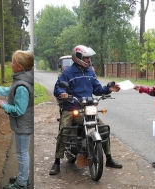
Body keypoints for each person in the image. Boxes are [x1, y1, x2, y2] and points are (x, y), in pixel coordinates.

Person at [49, 45, 123, 176]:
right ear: (78, 58)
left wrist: (108, 89)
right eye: (86, 58)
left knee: (104, 129)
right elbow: (58, 89)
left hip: (88, 108)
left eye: (89, 58)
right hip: (72, 108)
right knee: (64, 130)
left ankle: (109, 159)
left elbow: (97, 89)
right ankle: (56, 162)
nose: (89, 60)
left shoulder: (90, 72)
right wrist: (63, 93)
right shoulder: (67, 73)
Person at [0, 50, 34, 189]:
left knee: (22, 153)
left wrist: (3, 105)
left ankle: (22, 183)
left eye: (13, 62)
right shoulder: (21, 80)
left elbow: (19, 110)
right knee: (22, 152)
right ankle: (24, 177)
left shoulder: (23, 86)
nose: (11, 64)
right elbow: (8, 91)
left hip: (23, 125)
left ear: (20, 66)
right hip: (22, 124)